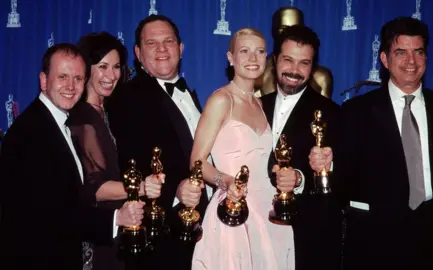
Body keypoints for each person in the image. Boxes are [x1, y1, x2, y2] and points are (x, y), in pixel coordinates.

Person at [336, 17, 433, 270]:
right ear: (384, 59)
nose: (411, 62)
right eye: (400, 52)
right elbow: (343, 182)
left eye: (418, 52)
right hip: (375, 242)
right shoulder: (356, 112)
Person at [0, 43, 144, 269]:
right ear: (44, 80)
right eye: (62, 77)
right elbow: (53, 212)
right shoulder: (32, 133)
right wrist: (115, 218)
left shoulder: (54, 123)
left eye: (78, 78)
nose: (71, 86)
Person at [105, 15, 211, 270]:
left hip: (201, 231)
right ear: (138, 53)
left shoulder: (192, 95)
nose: (162, 49)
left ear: (181, 48)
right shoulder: (126, 98)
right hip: (160, 238)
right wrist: (175, 189)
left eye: (168, 41)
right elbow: (131, 161)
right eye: (152, 43)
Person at [190, 27, 294, 270]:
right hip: (235, 210)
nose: (252, 58)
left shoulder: (261, 104)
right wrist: (226, 182)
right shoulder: (221, 100)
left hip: (269, 209)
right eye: (244, 51)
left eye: (259, 52)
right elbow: (196, 162)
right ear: (230, 57)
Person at [67, 32, 163, 270]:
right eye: (103, 66)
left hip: (117, 228)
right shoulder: (84, 120)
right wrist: (140, 187)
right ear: (87, 69)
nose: (111, 75)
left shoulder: (105, 112)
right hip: (99, 233)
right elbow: (94, 188)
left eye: (117, 66)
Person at [261, 25, 342, 270]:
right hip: (252, 229)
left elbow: (346, 176)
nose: (294, 71)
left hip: (303, 238)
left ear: (312, 68)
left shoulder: (332, 114)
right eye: (288, 60)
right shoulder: (254, 107)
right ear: (274, 60)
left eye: (304, 63)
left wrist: (302, 178)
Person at [254, 6, 334, 99]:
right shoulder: (256, 73)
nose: (290, 33)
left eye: (295, 28)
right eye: (284, 29)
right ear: (273, 31)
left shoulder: (321, 77)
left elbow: (325, 110)